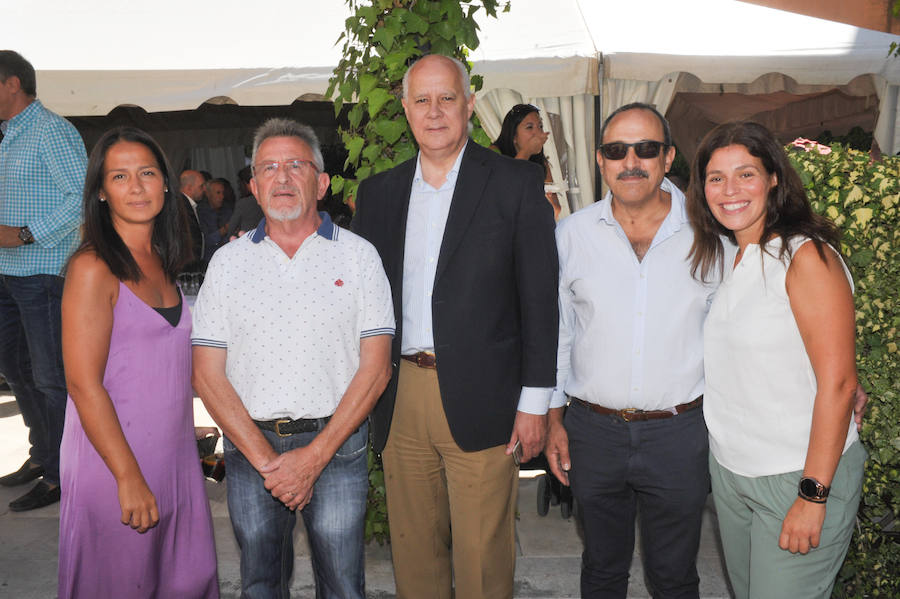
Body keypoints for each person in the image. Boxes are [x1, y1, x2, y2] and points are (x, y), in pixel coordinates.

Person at [352, 54, 558, 599]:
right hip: (401, 395)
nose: (435, 111)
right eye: (422, 99)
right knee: (414, 554)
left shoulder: (516, 183)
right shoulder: (379, 194)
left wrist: (535, 402)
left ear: (470, 105)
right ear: (405, 109)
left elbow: (540, 298)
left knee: (483, 558)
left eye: (448, 98)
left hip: (488, 395)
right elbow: (358, 294)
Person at [191, 118, 394, 598]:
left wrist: (313, 458)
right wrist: (269, 463)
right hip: (249, 448)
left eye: (296, 166)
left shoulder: (360, 257)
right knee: (260, 583)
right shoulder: (227, 263)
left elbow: (376, 368)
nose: (282, 178)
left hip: (337, 446)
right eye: (269, 168)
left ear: (321, 183)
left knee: (344, 585)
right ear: (255, 186)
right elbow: (206, 374)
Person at [686, 121, 866, 598]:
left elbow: (839, 384)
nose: (729, 190)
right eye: (715, 177)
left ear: (773, 180)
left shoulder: (806, 256)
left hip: (797, 476)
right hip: (732, 475)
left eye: (745, 174)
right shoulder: (733, 257)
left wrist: (813, 495)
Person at [546, 103, 716, 599]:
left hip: (680, 432)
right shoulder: (571, 235)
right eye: (617, 150)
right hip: (593, 431)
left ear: (668, 157)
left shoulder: (712, 234)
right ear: (601, 161)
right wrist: (555, 419)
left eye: (646, 149)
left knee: (675, 575)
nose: (632, 162)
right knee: (601, 569)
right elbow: (559, 333)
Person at [58, 126, 218, 598]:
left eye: (147, 173)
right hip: (113, 460)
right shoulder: (93, 268)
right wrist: (127, 477)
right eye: (120, 176)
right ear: (101, 193)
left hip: (173, 455)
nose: (136, 187)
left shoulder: (161, 259)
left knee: (184, 578)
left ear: (166, 184)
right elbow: (83, 384)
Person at [0, 49, 86, 511]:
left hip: (42, 271)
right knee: (15, 369)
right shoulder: (8, 135)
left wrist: (27, 234)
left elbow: (82, 197)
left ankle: (61, 475)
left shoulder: (51, 130)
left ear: (13, 83)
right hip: (7, 274)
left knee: (52, 378)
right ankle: (42, 454)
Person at [493, 103, 563, 218]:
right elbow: (503, 193)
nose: (538, 133)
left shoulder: (541, 163)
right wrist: (526, 151)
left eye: (540, 126)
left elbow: (555, 210)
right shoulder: (494, 153)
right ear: (514, 135)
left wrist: (547, 199)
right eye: (529, 127)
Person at [179, 169, 206, 272]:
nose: (204, 189)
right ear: (189, 188)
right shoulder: (180, 206)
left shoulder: (187, 204)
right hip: (186, 270)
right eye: (201, 186)